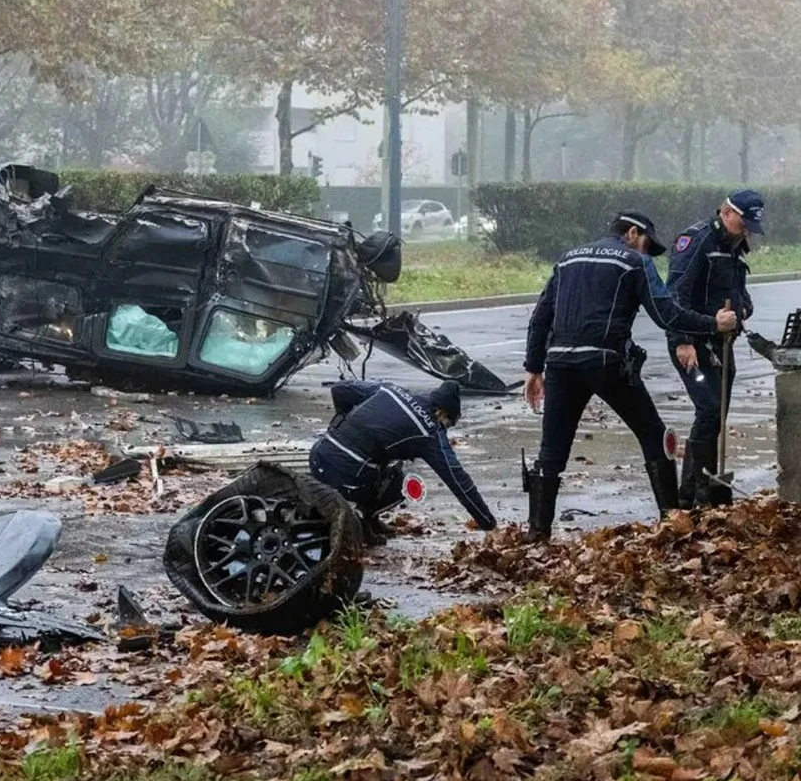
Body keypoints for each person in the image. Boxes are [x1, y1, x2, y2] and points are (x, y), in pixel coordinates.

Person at [523, 212, 738, 541]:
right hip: (608, 362)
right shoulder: (634, 262)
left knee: (551, 452)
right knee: (654, 436)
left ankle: (536, 535)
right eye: (647, 244)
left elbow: (540, 317)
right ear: (633, 232)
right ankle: (672, 522)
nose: (647, 251)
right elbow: (667, 313)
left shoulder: (568, 259)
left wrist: (533, 368)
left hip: (560, 364)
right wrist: (713, 324)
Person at [308, 378, 497, 544]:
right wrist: (488, 524)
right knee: (400, 481)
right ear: (441, 413)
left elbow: (340, 390)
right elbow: (458, 479)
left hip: (318, 456)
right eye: (448, 423)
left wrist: (342, 424)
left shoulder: (390, 389)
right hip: (344, 479)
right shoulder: (430, 432)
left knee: (381, 460)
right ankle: (364, 521)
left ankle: (370, 519)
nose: (445, 429)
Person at [667, 190, 764, 507]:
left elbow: (736, 288)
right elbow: (676, 293)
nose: (746, 230)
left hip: (723, 344)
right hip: (694, 345)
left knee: (715, 415)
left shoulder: (734, 245)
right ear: (726, 212)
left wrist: (743, 308)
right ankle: (698, 493)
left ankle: (694, 489)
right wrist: (682, 340)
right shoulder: (697, 241)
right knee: (708, 411)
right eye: (743, 223)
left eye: (751, 226)